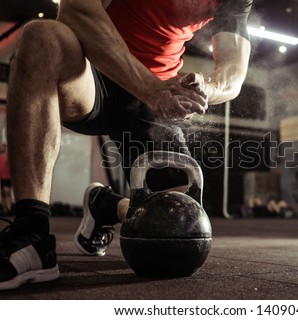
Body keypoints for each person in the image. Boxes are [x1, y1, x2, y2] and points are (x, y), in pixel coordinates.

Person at [1, 0, 252, 290]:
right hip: (92, 78)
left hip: (158, 100)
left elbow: (234, 72)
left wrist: (205, 87)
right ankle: (33, 234)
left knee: (176, 228)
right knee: (42, 35)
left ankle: (107, 206)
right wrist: (148, 87)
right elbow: (76, 9)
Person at [0, 144, 13, 215]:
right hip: (2, 178)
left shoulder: (8, 156)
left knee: (7, 192)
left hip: (7, 177)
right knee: (3, 193)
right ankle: (5, 208)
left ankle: (9, 208)